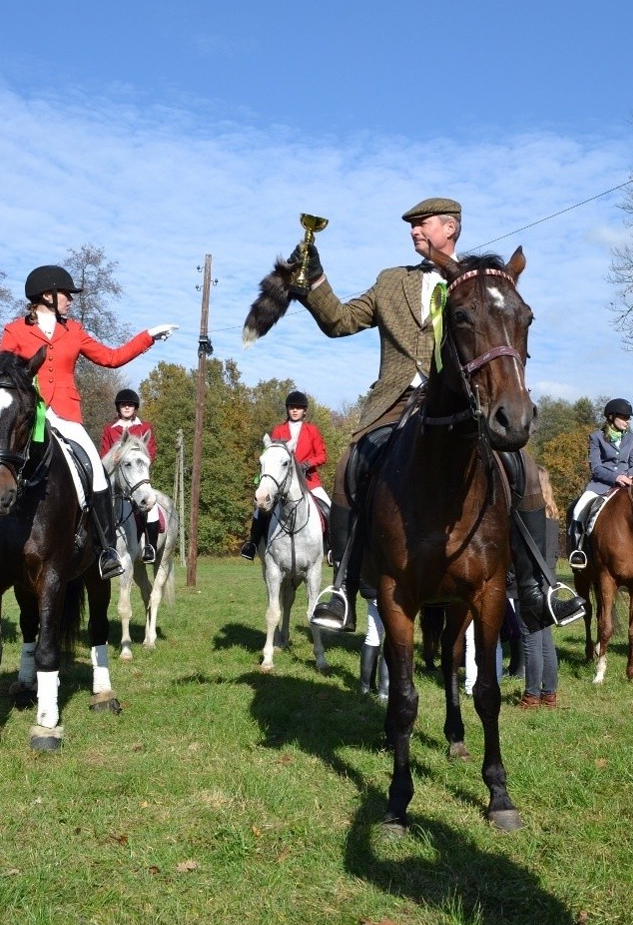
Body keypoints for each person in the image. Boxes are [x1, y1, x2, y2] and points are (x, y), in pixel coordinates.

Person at [288, 195, 585, 636]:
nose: (413, 231)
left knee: (521, 464)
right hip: (397, 401)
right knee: (352, 462)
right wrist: (312, 279)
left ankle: (536, 586)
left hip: (466, 405)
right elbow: (341, 322)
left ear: (451, 228)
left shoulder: (480, 282)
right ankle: (343, 589)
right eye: (411, 226)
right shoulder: (390, 282)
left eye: (422, 224)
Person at [0, 264, 176, 579]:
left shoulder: (73, 331)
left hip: (66, 415)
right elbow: (1, 371)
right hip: (27, 415)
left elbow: (111, 357)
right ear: (47, 295)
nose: (70, 300)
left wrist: (147, 337)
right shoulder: (15, 330)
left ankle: (105, 549)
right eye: (66, 294)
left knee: (96, 471)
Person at [240, 390, 330, 560]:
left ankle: (332, 549)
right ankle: (252, 543)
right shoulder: (279, 430)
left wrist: (307, 464)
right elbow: (272, 455)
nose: (295, 410)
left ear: (305, 411)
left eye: (299, 408)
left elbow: (322, 455)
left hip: (309, 481)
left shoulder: (312, 430)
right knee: (260, 509)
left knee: (328, 507)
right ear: (287, 409)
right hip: (283, 483)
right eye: (291, 407)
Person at [567, 397, 633, 569]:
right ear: (611, 417)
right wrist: (616, 477)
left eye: (629, 418)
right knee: (577, 510)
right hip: (600, 486)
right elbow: (596, 467)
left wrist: (632, 476)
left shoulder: (631, 439)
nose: (628, 421)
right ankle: (578, 552)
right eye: (624, 417)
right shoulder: (596, 438)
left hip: (628, 487)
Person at [517, 466, 561, 709]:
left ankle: (532, 695)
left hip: (530, 583)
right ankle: (549, 694)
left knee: (531, 639)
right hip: (549, 582)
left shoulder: (529, 516)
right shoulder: (552, 514)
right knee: (545, 639)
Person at [101, 388, 161, 564]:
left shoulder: (145, 428)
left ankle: (150, 546)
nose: (126, 407)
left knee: (153, 505)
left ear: (135, 408)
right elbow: (103, 455)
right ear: (118, 408)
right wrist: (114, 458)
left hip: (137, 478)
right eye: (123, 405)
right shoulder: (109, 430)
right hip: (117, 482)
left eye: (130, 405)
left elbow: (150, 452)